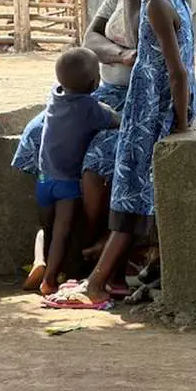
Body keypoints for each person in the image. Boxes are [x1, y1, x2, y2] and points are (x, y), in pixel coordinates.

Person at [13, 0, 196, 285]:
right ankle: (55, 243)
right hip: (110, 90)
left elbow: (155, 53)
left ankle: (90, 252)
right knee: (40, 135)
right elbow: (91, 39)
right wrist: (121, 55)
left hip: (145, 100)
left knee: (97, 157)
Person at [34, 48, 119, 296]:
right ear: (94, 83)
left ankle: (40, 260)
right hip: (67, 184)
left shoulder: (54, 95)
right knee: (62, 232)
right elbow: (114, 120)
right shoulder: (89, 108)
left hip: (43, 179)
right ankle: (49, 279)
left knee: (46, 227)